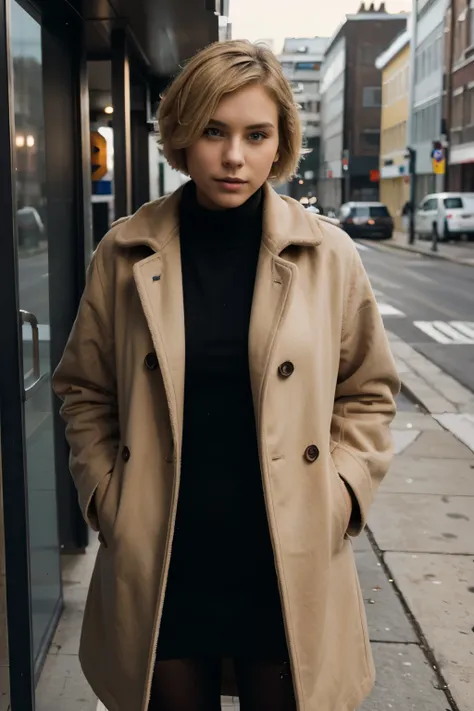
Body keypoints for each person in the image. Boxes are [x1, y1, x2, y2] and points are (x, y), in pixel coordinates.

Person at [52, 39, 400, 711]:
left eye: (255, 134)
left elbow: (368, 392)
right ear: (183, 134)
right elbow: (85, 389)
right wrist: (110, 500)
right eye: (214, 131)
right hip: (166, 559)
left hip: (285, 558)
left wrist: (340, 496)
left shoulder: (329, 257)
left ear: (280, 143)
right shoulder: (125, 253)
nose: (234, 156)